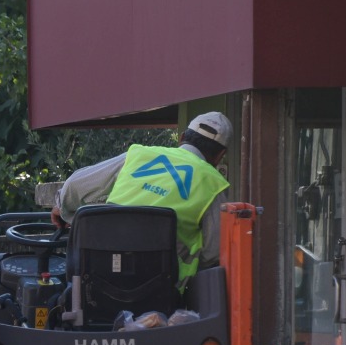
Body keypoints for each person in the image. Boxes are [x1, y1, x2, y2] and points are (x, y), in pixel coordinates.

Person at [52, 111, 233, 283]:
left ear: (182, 137)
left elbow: (75, 186)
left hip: (98, 281)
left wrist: (61, 208)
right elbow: (213, 252)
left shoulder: (140, 155)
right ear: (220, 155)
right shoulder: (213, 184)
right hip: (164, 295)